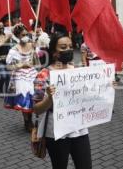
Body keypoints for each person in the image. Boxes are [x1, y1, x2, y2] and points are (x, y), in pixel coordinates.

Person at [33, 32, 92, 169]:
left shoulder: (77, 71)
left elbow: (88, 96)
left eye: (70, 46)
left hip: (79, 128)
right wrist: (50, 98)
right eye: (63, 47)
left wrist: (105, 86)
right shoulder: (43, 75)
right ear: (54, 52)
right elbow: (36, 108)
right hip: (56, 131)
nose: (69, 50)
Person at [4, 24, 39, 132]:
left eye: (26, 34)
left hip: (31, 74)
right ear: (18, 36)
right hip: (20, 75)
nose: (25, 36)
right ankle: (27, 121)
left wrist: (33, 60)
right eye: (23, 35)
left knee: (34, 97)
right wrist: (20, 65)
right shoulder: (13, 50)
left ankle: (31, 119)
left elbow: (37, 63)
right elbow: (8, 66)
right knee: (24, 98)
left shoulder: (32, 46)